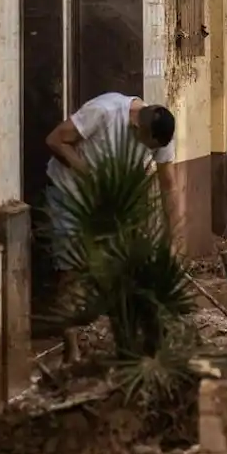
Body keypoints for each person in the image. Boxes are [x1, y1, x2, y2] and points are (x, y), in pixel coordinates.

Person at [44, 93, 178, 362]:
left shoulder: (161, 135)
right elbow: (54, 140)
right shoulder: (104, 112)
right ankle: (71, 350)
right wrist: (93, 177)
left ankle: (129, 345)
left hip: (110, 203)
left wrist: (172, 240)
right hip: (70, 192)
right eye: (147, 144)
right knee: (71, 270)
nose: (149, 151)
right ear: (138, 127)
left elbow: (168, 185)